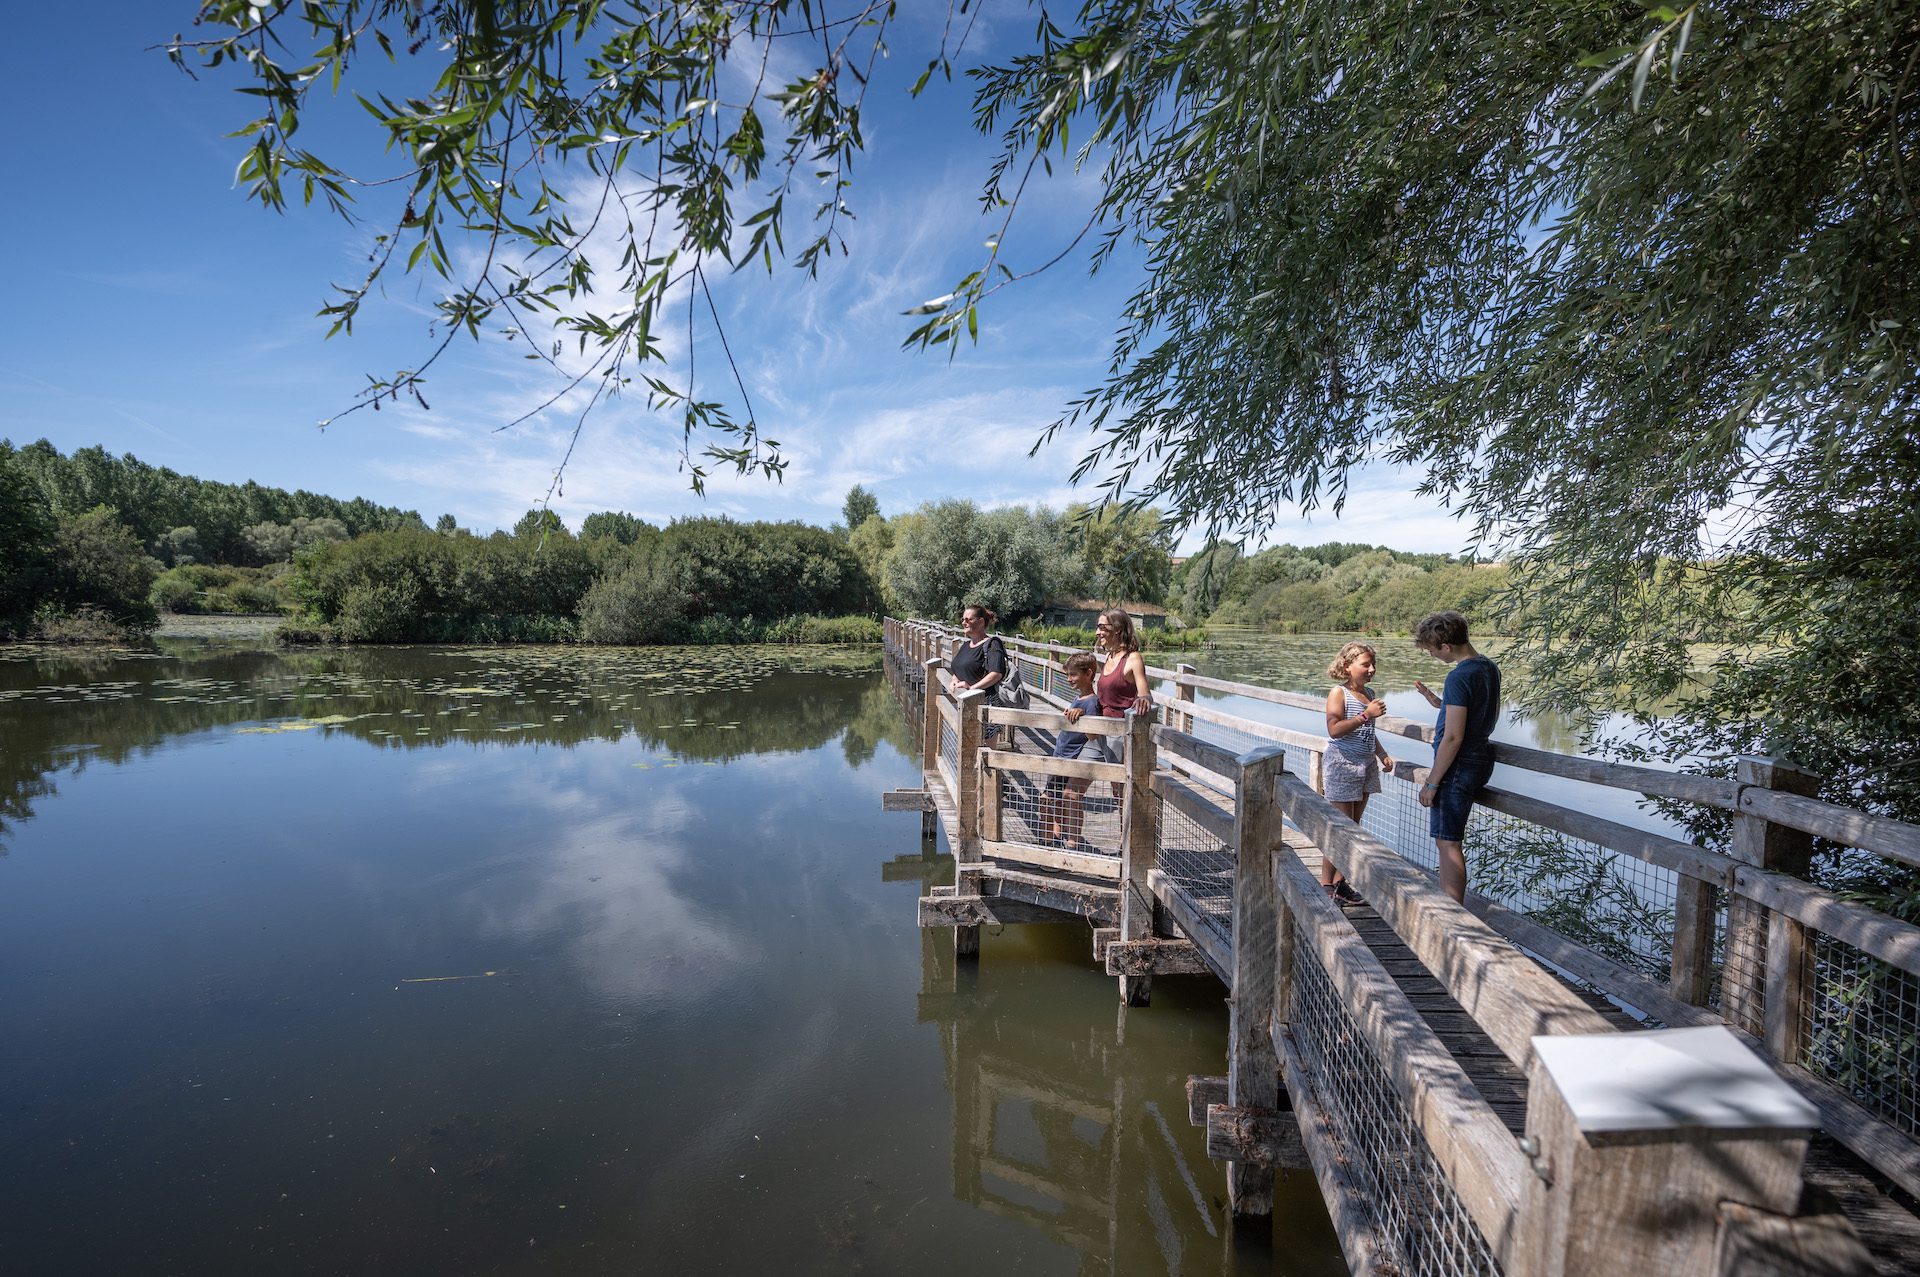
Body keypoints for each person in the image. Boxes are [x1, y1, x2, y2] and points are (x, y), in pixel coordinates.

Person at [1412, 611, 1501, 903]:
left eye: (1432, 651)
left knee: (1447, 842)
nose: (1433, 655)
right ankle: (1453, 911)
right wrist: (1438, 702)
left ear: (1446, 646)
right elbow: (1475, 714)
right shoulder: (1488, 668)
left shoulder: (1459, 675)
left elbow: (1453, 737)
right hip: (1479, 760)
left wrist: (1432, 782)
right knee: (1449, 840)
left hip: (1458, 766)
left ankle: (1452, 918)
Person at [1321, 641, 1395, 906]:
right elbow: (1335, 729)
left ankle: (1342, 884)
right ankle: (1327, 883)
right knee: (1342, 829)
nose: (1371, 669)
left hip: (1365, 765)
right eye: (1365, 664)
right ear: (1347, 666)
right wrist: (1366, 714)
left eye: (1373, 664)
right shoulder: (1338, 693)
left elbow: (1368, 733)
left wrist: (1382, 753)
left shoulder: (1370, 693)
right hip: (1342, 764)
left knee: (1353, 827)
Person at [1044, 652, 1103, 847]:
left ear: (1089, 674)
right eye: (1068, 675)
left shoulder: (1092, 702)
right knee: (1051, 800)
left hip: (1071, 757)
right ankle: (1054, 837)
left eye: (1074, 675)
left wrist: (1082, 716)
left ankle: (1071, 842)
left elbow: (1093, 735)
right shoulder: (1078, 699)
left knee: (1060, 798)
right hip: (1060, 754)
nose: (1069, 679)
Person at [1094, 609, 1153, 799]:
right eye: (1098, 627)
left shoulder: (1133, 658)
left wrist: (1143, 699)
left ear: (1117, 629)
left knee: (1120, 793)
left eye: (1102, 627)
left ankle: (1125, 829)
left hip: (1118, 735)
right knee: (1072, 787)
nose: (1097, 632)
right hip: (1098, 730)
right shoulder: (1108, 657)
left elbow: (1145, 694)